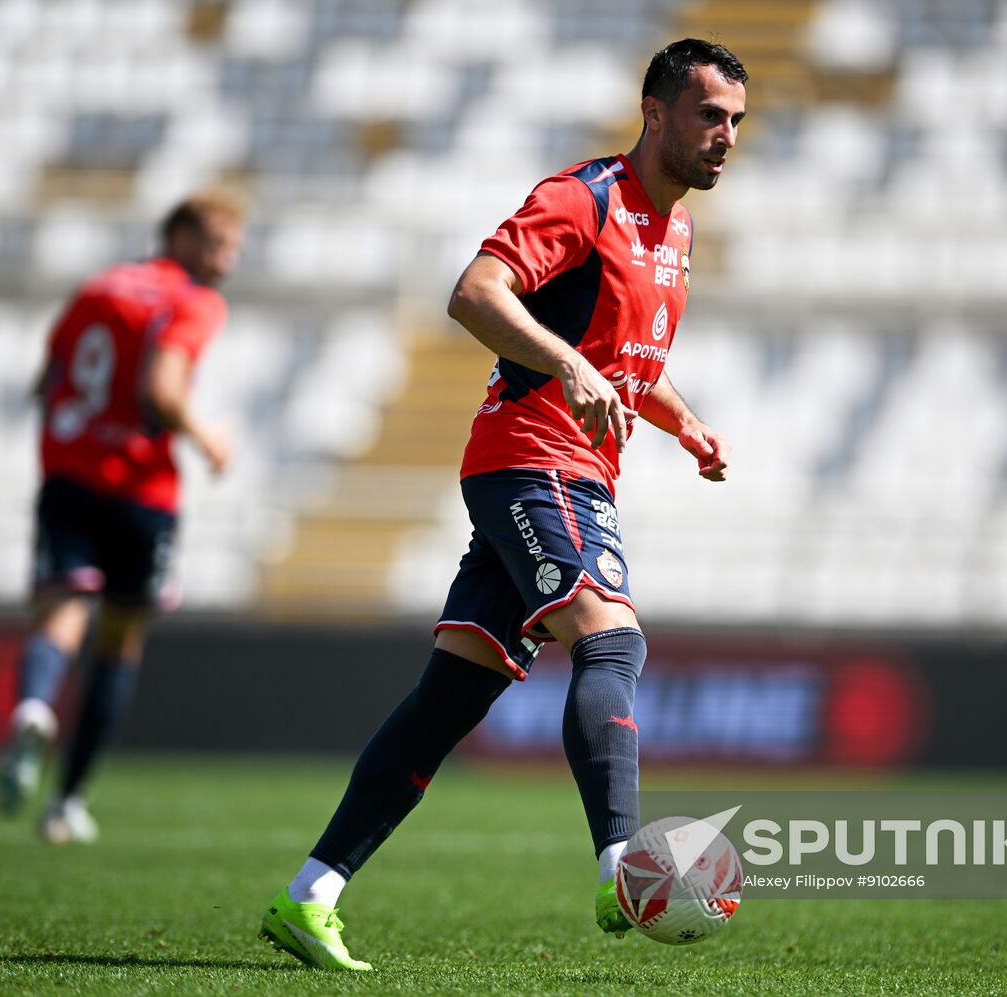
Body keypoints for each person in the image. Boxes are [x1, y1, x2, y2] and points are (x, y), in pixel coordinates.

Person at [258, 39, 747, 971]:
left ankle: (309, 894)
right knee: (611, 639)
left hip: (573, 469)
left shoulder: (675, 233)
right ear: (654, 113)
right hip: (533, 462)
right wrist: (564, 366)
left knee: (450, 697)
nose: (724, 136)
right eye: (707, 116)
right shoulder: (583, 198)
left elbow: (625, 358)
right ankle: (623, 864)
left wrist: (685, 425)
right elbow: (475, 294)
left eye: (734, 122)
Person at [0, 189, 246, 843]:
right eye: (219, 242)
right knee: (119, 639)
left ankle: (31, 704)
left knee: (62, 611)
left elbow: (45, 380)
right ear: (181, 237)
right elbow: (161, 390)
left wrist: (75, 435)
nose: (230, 256)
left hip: (68, 474)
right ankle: (67, 801)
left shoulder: (98, 286)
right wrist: (207, 436)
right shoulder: (193, 301)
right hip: (140, 489)